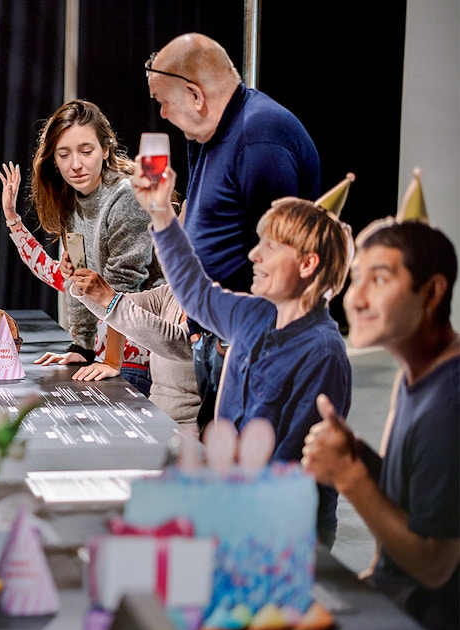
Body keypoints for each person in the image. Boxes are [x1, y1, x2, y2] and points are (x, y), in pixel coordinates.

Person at [133, 161, 354, 548]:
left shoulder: (324, 353)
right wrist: (161, 214)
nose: (255, 255)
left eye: (271, 246)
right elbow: (195, 291)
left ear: (307, 264)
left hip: (283, 537)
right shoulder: (251, 314)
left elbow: (291, 462)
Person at [302, 174, 458, 630]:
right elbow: (416, 493)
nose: (357, 297)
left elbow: (434, 564)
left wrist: (350, 476)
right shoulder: (419, 373)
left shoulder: (448, 405)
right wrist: (364, 458)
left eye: (381, 279)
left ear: (431, 294)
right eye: (357, 278)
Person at [146, 32, 321, 428]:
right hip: (219, 338)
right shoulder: (207, 134)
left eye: (164, 102)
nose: (162, 115)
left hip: (251, 348)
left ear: (195, 95)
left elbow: (281, 263)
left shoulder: (261, 139)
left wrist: (234, 341)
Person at [0, 99, 162, 395]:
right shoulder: (71, 198)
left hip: (146, 352)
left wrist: (112, 360)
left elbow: (123, 287)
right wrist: (83, 346)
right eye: (64, 154)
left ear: (106, 150)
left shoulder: (125, 196)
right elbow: (74, 281)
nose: (75, 164)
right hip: (108, 350)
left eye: (86, 151)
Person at [64, 273, 198, 436]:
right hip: (156, 418)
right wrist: (81, 284)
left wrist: (110, 300)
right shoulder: (172, 292)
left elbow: (177, 341)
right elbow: (118, 306)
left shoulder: (220, 299)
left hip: (193, 431)